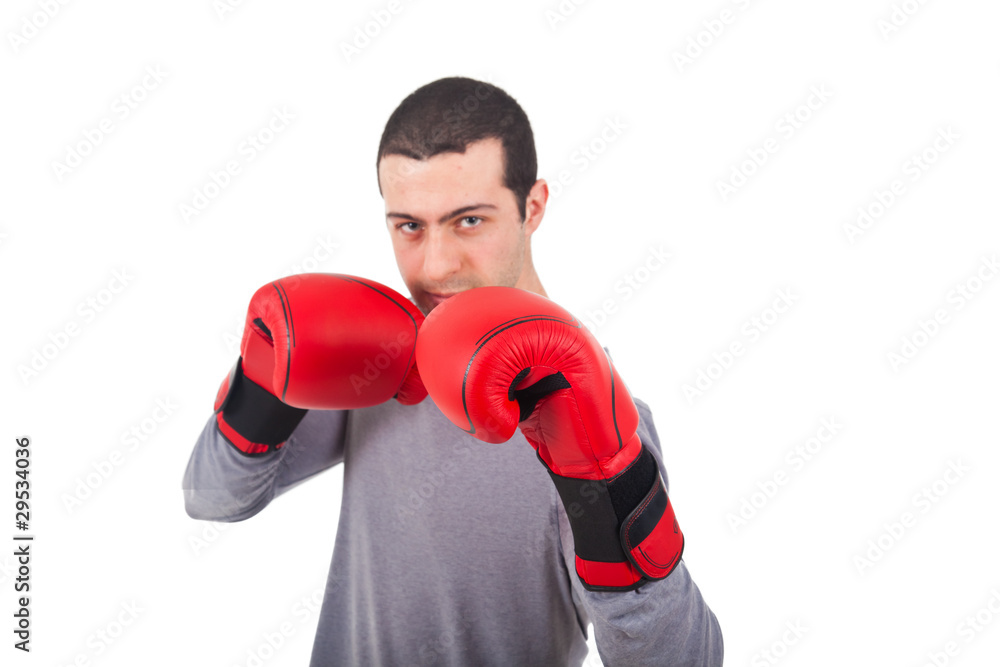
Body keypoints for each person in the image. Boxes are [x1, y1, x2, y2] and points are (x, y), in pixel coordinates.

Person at [183, 76, 723, 666]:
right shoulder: (380, 362)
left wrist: (606, 484)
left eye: (469, 221)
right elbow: (210, 499)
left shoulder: (593, 409)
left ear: (533, 206)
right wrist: (263, 384)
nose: (435, 265)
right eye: (409, 225)